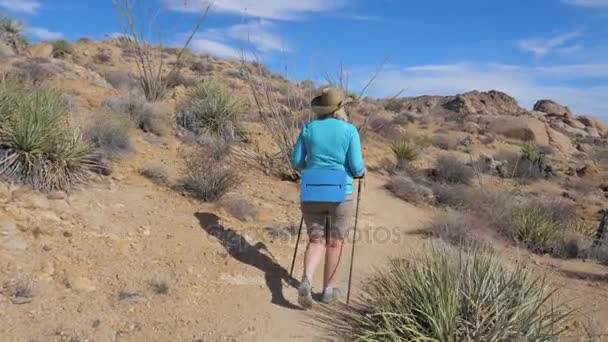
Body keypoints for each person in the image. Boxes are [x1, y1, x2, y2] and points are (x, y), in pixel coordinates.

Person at [291, 87, 365, 308]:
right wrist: (361, 172)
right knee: (335, 243)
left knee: (316, 240)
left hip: (312, 190)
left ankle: (307, 280)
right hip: (341, 193)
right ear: (341, 108)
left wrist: (313, 167)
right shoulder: (349, 131)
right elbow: (356, 166)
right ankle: (328, 291)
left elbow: (296, 163)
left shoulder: (308, 129)